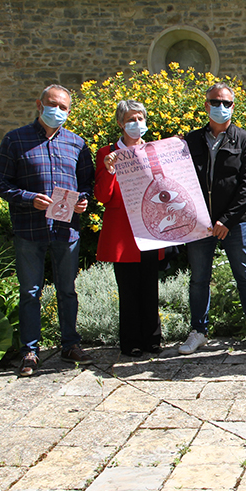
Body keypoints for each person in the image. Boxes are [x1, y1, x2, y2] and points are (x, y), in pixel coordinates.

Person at [0, 84, 95, 377]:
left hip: (66, 230)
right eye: (53, 105)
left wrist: (83, 201)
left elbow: (87, 183)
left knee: (67, 291)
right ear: (40, 104)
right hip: (30, 229)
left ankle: (70, 345)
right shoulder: (15, 139)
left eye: (64, 107)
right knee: (30, 292)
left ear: (69, 111)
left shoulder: (77, 144)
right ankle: (30, 351)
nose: (58, 111)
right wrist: (28, 198)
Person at [178, 83, 246, 354]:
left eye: (226, 103)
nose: (221, 107)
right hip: (198, 223)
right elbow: (177, 180)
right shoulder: (190, 141)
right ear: (206, 105)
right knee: (199, 278)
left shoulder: (244, 140)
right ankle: (198, 331)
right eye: (215, 101)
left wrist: (227, 220)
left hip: (235, 223)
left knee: (245, 275)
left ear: (233, 106)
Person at [95, 100, 164, 358]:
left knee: (150, 287)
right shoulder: (107, 152)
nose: (137, 124)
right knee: (128, 289)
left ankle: (153, 339)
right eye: (131, 119)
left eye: (140, 118)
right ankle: (131, 341)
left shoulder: (153, 150)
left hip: (148, 227)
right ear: (120, 123)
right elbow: (102, 196)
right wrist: (110, 169)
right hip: (122, 233)